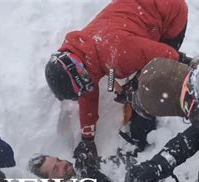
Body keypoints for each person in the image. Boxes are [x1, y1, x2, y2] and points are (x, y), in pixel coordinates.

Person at [44, 0, 190, 157]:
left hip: (169, 10)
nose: (86, 90)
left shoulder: (118, 53)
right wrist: (87, 139)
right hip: (135, 17)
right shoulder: (83, 52)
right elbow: (91, 91)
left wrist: (137, 90)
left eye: (84, 87)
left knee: (153, 80)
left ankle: (144, 126)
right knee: (138, 61)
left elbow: (168, 56)